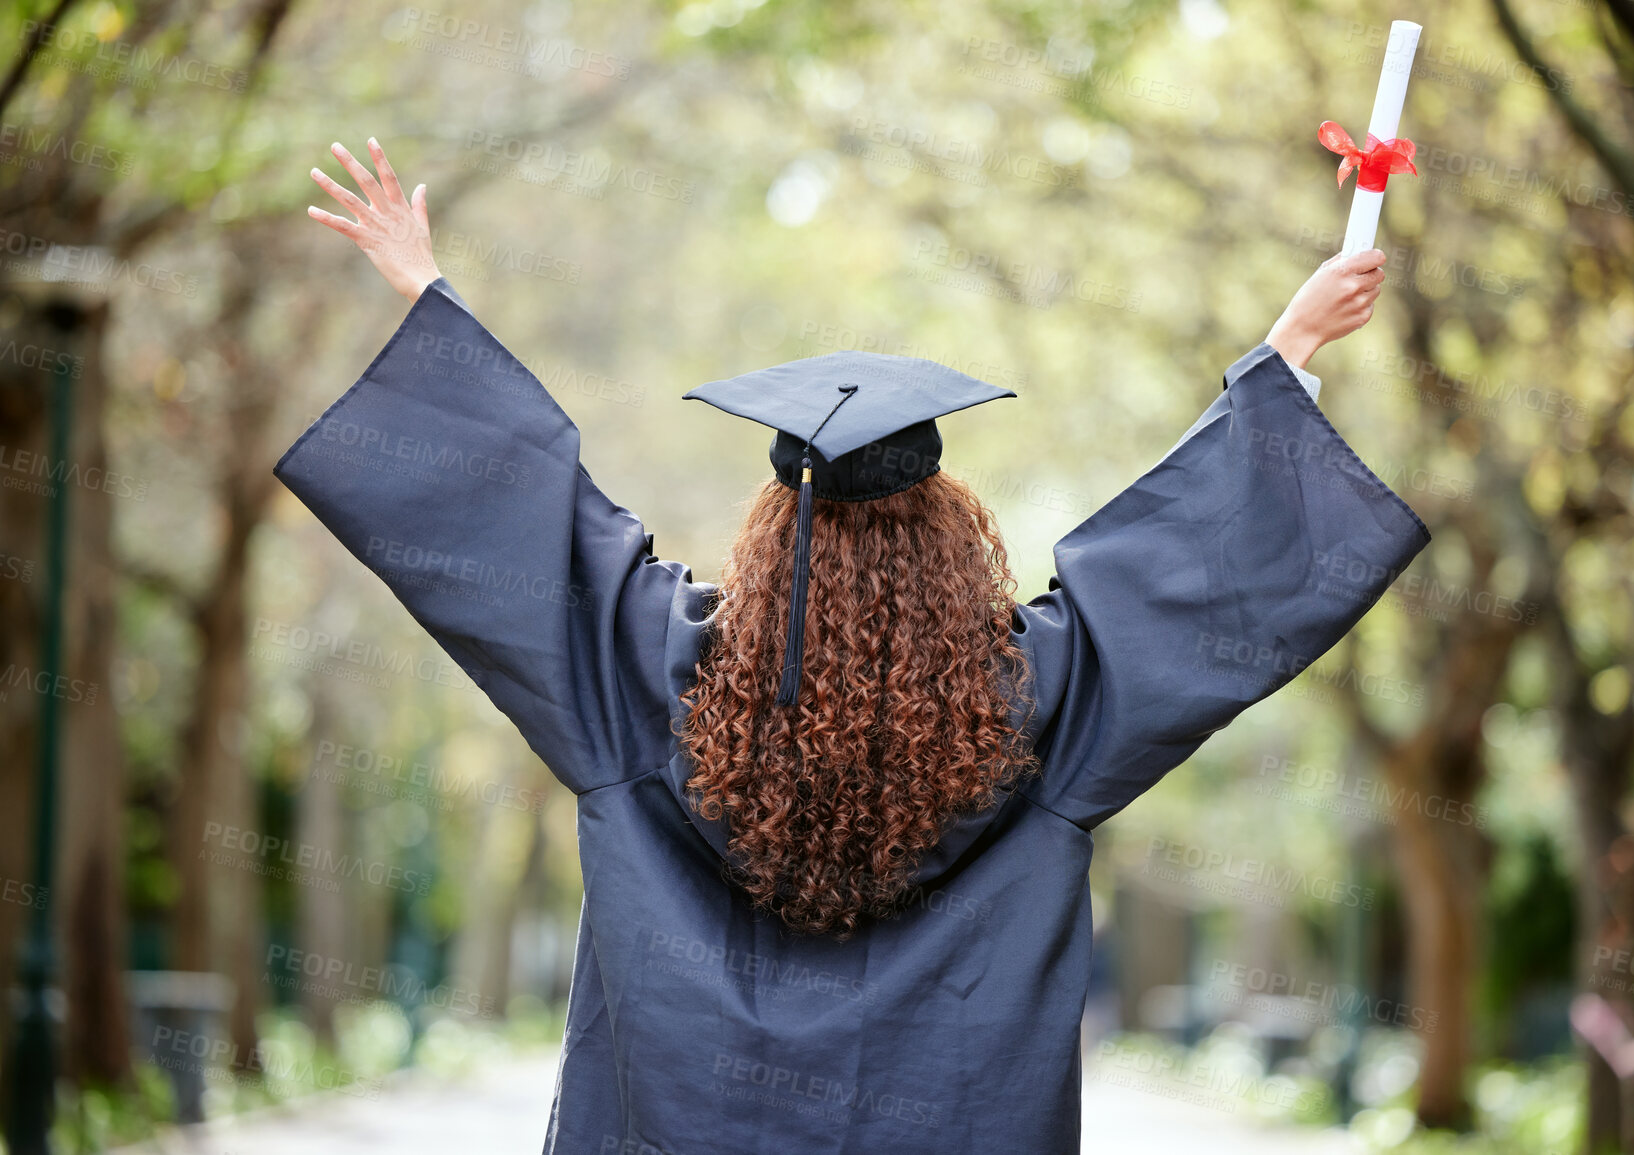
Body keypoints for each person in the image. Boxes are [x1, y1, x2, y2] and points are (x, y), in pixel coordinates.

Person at [288, 137, 1428, 1154]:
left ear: (774, 528)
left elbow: (540, 525)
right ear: (948, 532)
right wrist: (1290, 345)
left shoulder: (648, 677)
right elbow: (1179, 572)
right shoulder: (1039, 706)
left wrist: (425, 289)